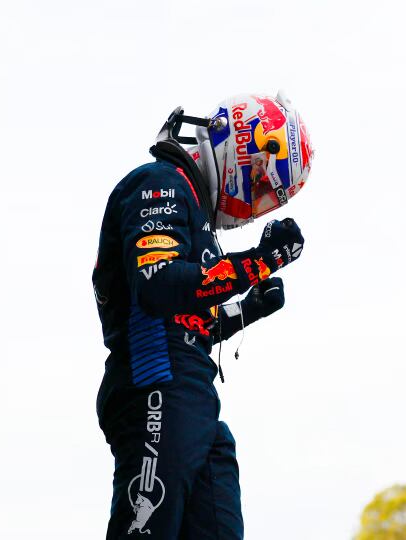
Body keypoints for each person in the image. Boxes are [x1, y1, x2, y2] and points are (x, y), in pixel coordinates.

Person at [92, 91, 313, 539]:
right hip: (155, 386)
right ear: (242, 147)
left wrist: (248, 309)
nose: (255, 206)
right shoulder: (159, 182)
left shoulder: (194, 211)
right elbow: (158, 286)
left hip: (194, 400)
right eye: (260, 186)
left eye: (269, 201)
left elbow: (193, 323)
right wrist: (256, 263)